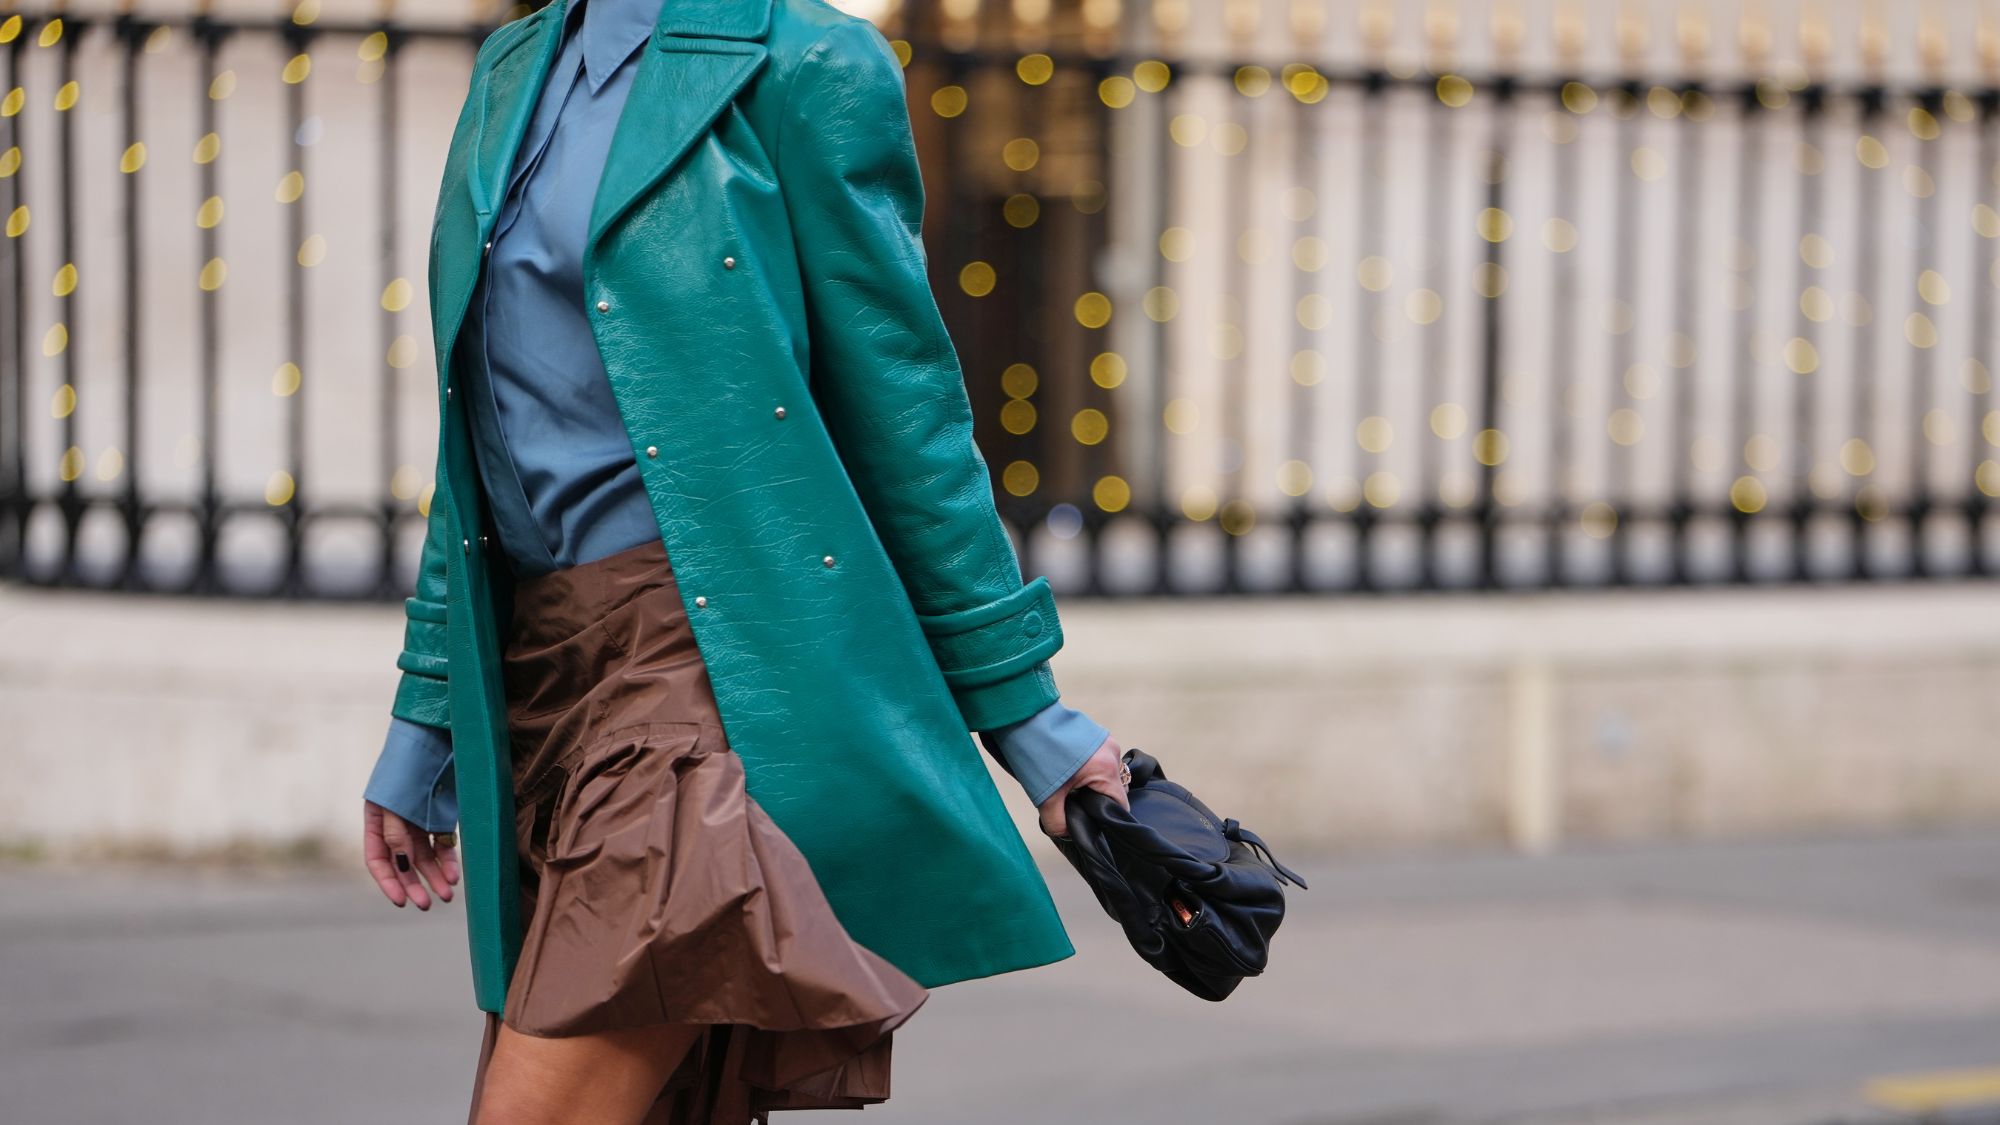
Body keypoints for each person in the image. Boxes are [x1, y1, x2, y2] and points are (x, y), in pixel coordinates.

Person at [356, 0, 1132, 1121]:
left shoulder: (808, 61)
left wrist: (1029, 718)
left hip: (711, 660)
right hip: (547, 668)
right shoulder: (510, 70)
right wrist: (424, 714)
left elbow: (903, 411)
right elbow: (470, 433)